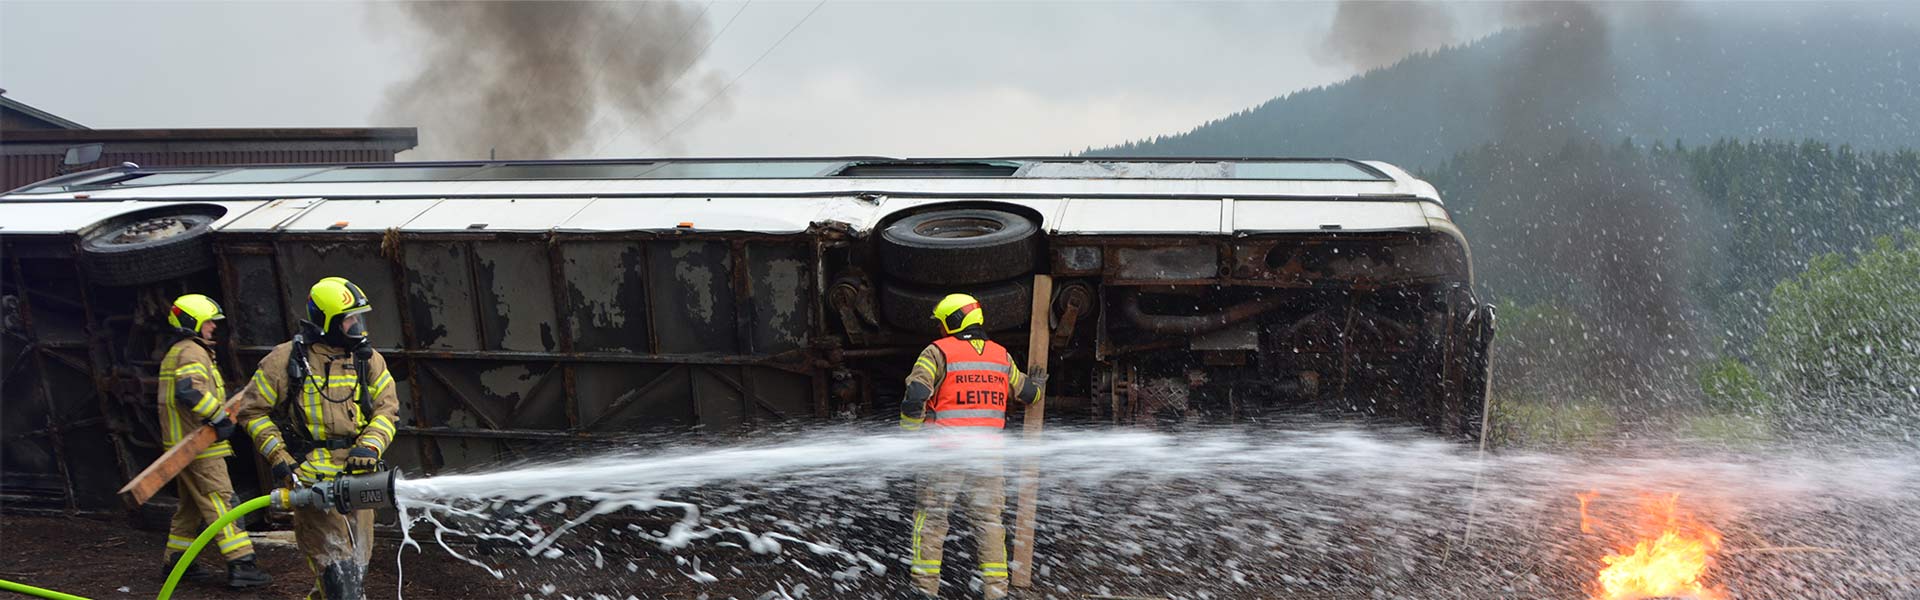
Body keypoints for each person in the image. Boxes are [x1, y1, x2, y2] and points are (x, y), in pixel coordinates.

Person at [234, 277, 399, 600]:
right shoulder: (286, 361)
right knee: (339, 578)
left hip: (357, 481)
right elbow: (251, 412)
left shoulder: (368, 361)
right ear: (327, 322)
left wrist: (371, 445)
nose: (358, 327)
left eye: (358, 318)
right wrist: (279, 458)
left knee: (354, 570)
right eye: (350, 320)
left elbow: (388, 411)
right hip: (310, 483)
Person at [899, 293, 1045, 600]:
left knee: (931, 519)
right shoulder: (1001, 357)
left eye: (941, 323)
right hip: (988, 458)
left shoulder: (936, 352)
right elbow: (1029, 394)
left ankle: (924, 591)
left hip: (944, 456)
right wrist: (1039, 384)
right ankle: (996, 592)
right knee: (989, 522)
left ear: (953, 321)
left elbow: (915, 399)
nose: (939, 330)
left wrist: (909, 440)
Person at [156, 293, 273, 589]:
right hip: (198, 449)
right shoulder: (191, 352)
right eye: (208, 322)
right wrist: (218, 417)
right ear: (192, 322)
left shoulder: (180, 351)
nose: (212, 328)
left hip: (184, 448)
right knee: (223, 502)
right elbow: (189, 391)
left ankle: (177, 564)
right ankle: (242, 565)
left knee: (190, 508)